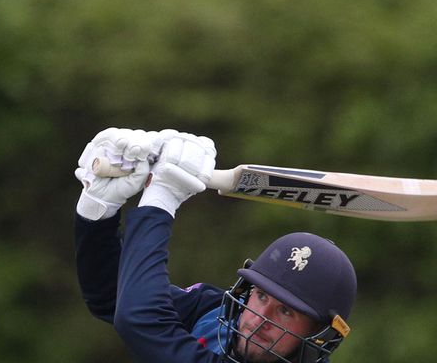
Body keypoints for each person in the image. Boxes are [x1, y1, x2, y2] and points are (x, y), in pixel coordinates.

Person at [74, 128, 357, 363]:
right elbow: (112, 295)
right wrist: (98, 210)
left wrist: (162, 196)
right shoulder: (220, 316)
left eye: (286, 312)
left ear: (320, 336)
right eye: (261, 296)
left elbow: (140, 320)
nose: (261, 318)